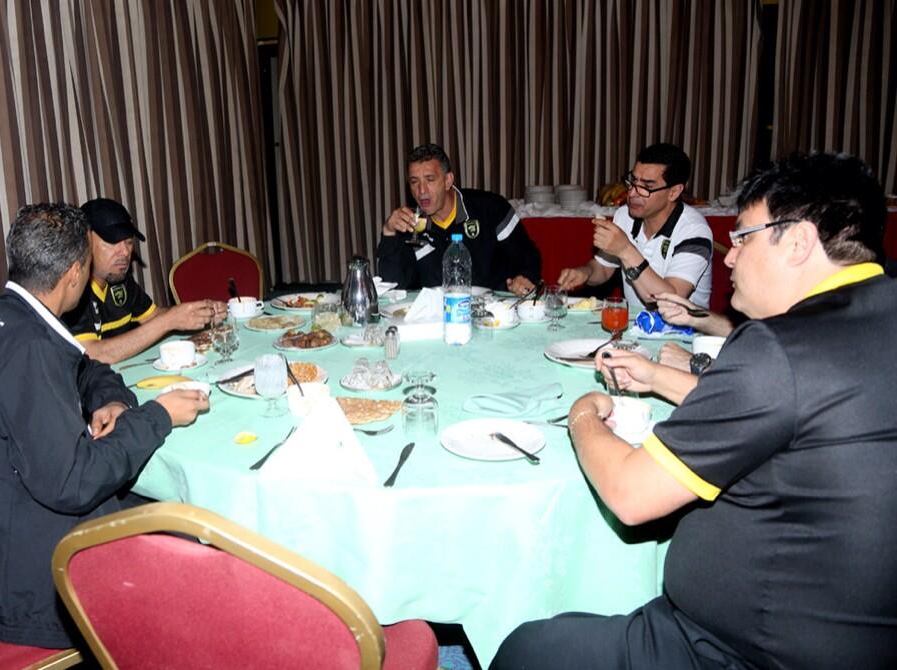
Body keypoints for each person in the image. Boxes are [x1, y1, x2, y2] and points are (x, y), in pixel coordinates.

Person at [492, 153, 897, 670]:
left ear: (798, 242)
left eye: (744, 238)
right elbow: (798, 410)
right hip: (857, 634)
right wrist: (658, 377)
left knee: (528, 650)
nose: (730, 259)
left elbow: (630, 495)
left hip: (745, 648)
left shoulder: (777, 348)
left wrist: (583, 414)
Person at [0, 202, 210, 649]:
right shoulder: (28, 348)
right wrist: (158, 415)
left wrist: (111, 399)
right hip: (7, 587)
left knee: (149, 493)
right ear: (75, 273)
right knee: (190, 534)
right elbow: (73, 483)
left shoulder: (6, 317)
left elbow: (81, 364)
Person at [62, 197, 226, 364]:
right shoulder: (72, 290)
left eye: (128, 242)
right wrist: (169, 320)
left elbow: (153, 316)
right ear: (85, 242)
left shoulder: (119, 279)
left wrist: (197, 313)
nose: (125, 252)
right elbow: (93, 354)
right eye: (113, 242)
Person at [557, 143, 713, 310]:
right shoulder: (625, 215)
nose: (632, 193)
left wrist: (625, 250)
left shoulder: (694, 231)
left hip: (682, 325)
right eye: (633, 181)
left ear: (674, 192)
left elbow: (670, 302)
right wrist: (585, 272)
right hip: (634, 323)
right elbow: (603, 269)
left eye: (647, 187)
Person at [376, 143, 541, 294]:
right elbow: (394, 287)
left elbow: (528, 255)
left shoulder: (490, 208)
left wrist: (525, 276)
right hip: (437, 314)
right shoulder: (411, 224)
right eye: (414, 182)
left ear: (448, 180)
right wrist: (389, 233)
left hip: (494, 310)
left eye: (430, 180)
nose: (421, 191)